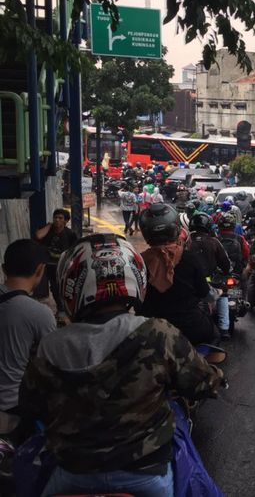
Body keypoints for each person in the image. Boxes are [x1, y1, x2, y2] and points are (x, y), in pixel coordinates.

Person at [18, 233, 225, 497]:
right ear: (135, 278)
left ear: (70, 285)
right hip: (147, 477)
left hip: (71, 476)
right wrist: (216, 378)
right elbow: (202, 382)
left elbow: (29, 403)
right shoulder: (158, 332)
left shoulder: (50, 344)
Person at [0, 240, 56, 445]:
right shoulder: (39, 313)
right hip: (12, 408)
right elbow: (52, 364)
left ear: (4, 269)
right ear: (40, 271)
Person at [138, 204, 218, 346]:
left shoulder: (138, 261)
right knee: (215, 335)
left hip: (151, 331)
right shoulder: (189, 258)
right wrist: (217, 293)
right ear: (175, 229)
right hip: (191, 328)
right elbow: (206, 294)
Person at [34, 208, 78, 321]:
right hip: (50, 265)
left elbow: (75, 250)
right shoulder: (48, 230)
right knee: (54, 287)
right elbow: (38, 236)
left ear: (66, 221)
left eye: (60, 218)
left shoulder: (70, 234)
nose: (57, 220)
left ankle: (68, 308)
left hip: (63, 266)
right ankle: (61, 308)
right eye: (55, 217)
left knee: (66, 287)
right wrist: (49, 225)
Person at [186, 213, 231, 279]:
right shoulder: (214, 241)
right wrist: (226, 272)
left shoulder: (185, 241)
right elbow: (225, 262)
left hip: (189, 279)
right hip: (208, 279)